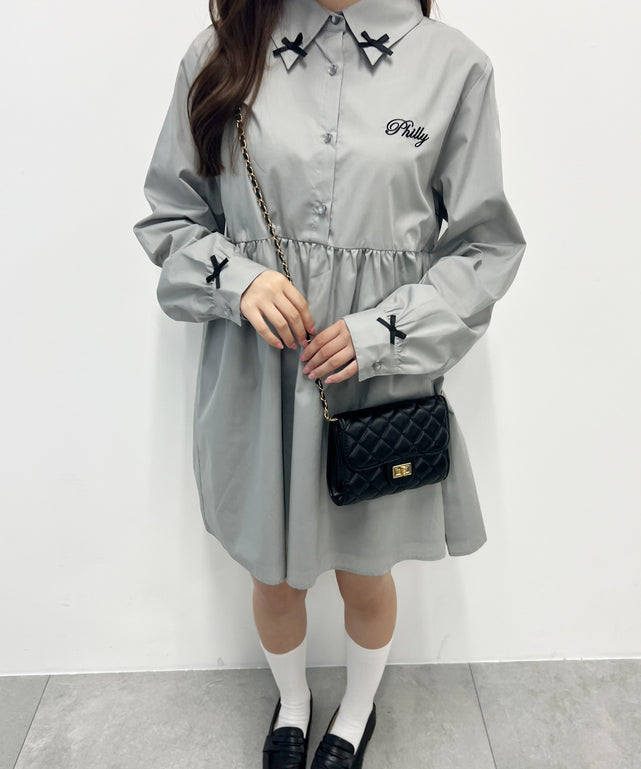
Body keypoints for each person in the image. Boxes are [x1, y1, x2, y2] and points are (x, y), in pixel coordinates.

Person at [132, 0, 527, 765]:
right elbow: (170, 220)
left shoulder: (453, 66)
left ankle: (354, 713)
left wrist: (385, 331)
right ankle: (291, 702)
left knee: (366, 571)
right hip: (257, 375)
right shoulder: (222, 53)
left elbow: (486, 248)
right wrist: (240, 281)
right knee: (272, 576)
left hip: (378, 386)